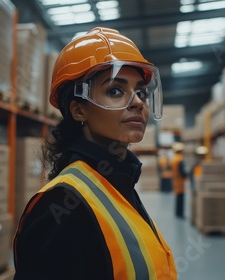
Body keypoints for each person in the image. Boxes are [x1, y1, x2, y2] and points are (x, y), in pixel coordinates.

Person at [13, 27, 177, 279]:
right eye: (115, 90)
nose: (138, 102)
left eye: (141, 92)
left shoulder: (118, 182)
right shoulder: (59, 207)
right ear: (79, 110)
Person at [171, 142, 187, 218]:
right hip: (180, 181)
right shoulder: (180, 159)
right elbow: (182, 171)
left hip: (175, 180)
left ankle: (177, 213)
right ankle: (180, 214)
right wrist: (186, 175)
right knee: (180, 198)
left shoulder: (174, 158)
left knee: (178, 198)